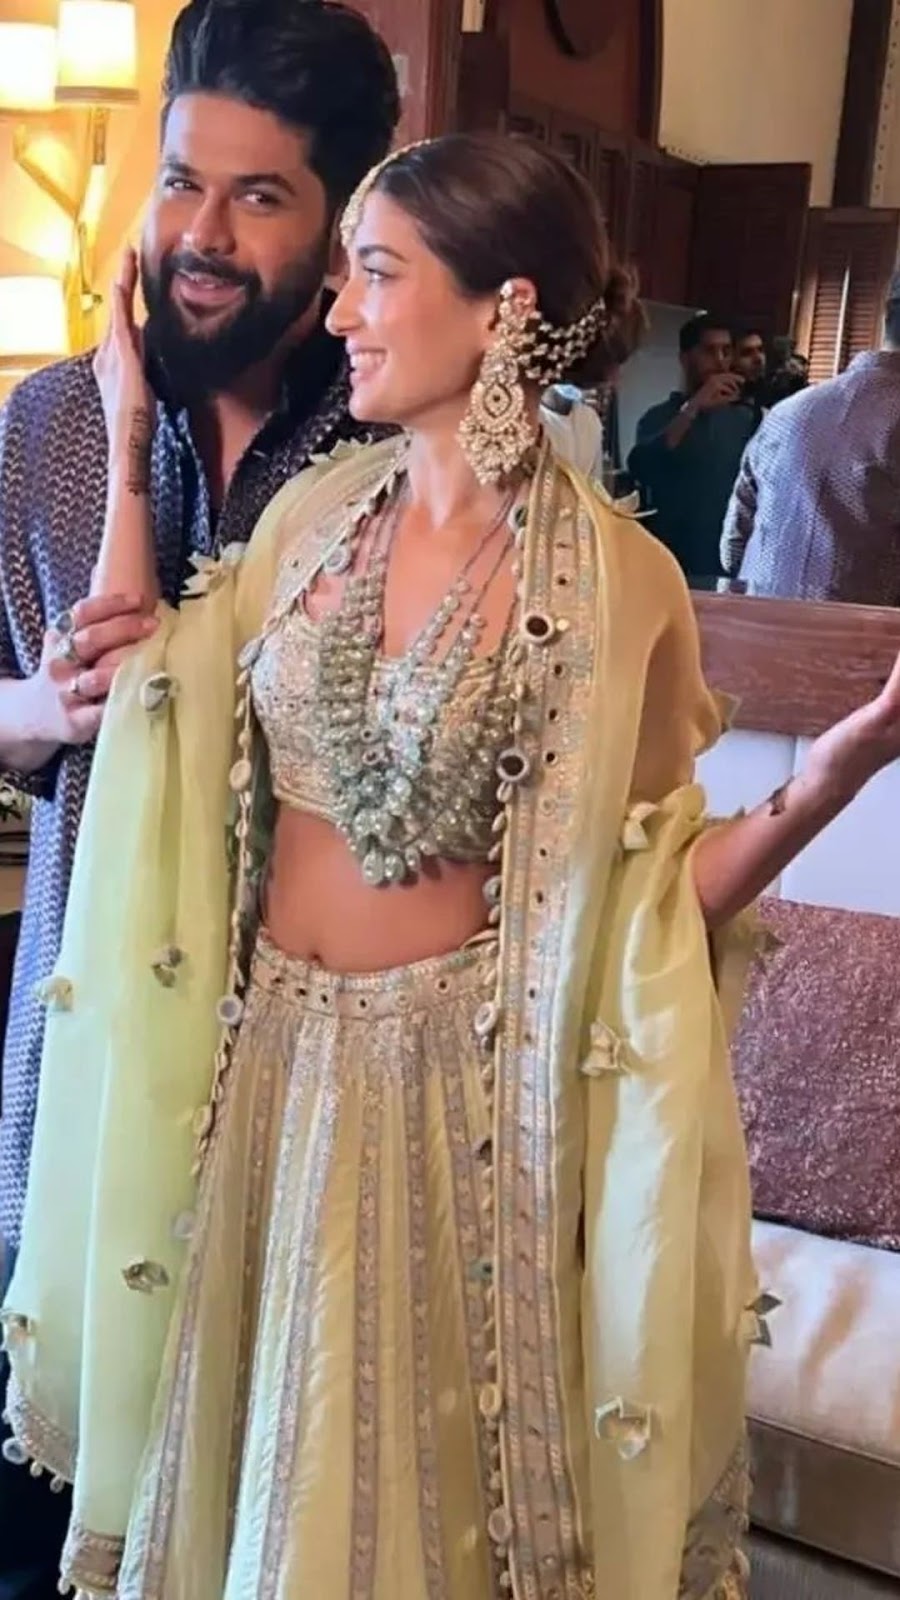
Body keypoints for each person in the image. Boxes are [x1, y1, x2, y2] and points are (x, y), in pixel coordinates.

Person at [7, 133, 900, 1600]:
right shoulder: (310, 524)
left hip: (460, 1110)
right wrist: (121, 438)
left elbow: (647, 905)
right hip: (266, 1074)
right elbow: (135, 693)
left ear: (501, 308)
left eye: (376, 275)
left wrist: (836, 771)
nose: (342, 313)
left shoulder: (616, 582)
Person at [0, 0, 398, 1592]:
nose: (203, 236)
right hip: (61, 1095)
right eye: (181, 182)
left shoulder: (402, 446)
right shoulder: (44, 430)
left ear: (342, 223)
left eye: (259, 196)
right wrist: (42, 708)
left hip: (290, 1114)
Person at [721, 277, 900, 602]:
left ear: (885, 315)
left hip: (754, 622)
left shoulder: (785, 412)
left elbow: (732, 549)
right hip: (863, 633)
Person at [628, 313, 757, 579]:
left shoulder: (746, 419)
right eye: (709, 351)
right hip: (670, 562)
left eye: (726, 351)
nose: (720, 360)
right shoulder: (658, 417)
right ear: (685, 359)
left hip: (727, 564)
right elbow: (642, 467)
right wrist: (694, 407)